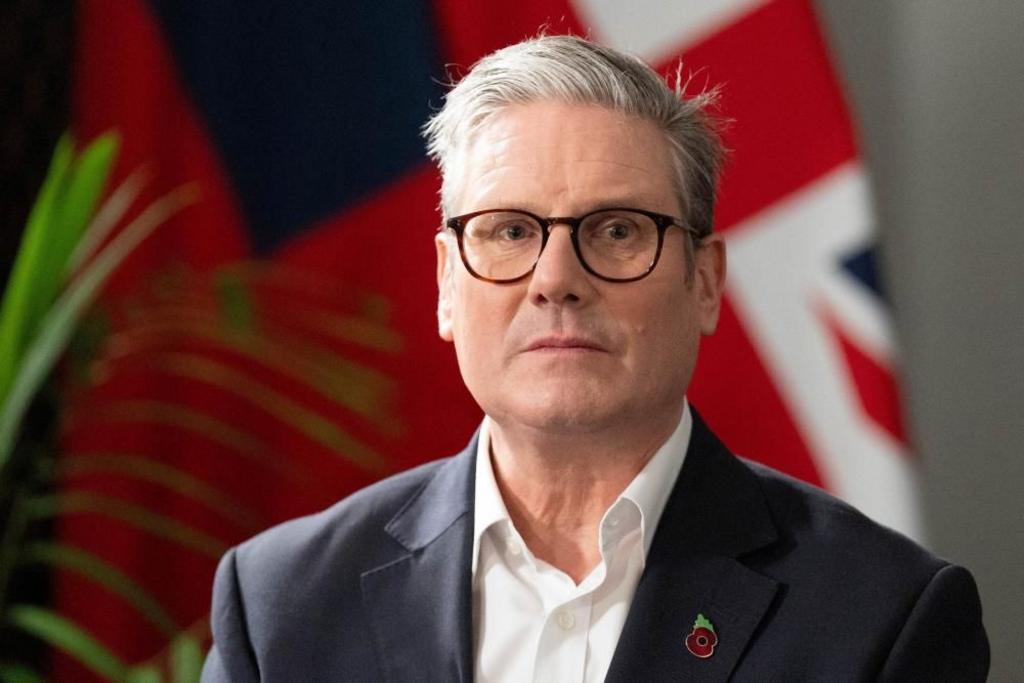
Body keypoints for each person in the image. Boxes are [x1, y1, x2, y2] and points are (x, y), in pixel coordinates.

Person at [201, 35, 989, 682]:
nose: (555, 280)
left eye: (616, 231)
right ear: (447, 283)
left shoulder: (881, 617)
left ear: (705, 282)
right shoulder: (283, 605)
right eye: (510, 231)